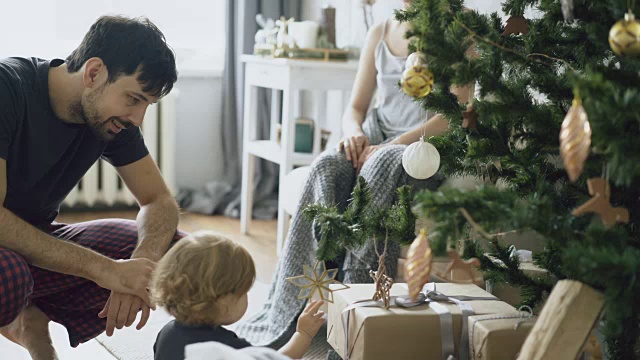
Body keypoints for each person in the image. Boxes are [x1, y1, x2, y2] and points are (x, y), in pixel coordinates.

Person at [236, 0, 471, 347]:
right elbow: (356, 108)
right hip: (378, 136)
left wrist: (392, 145)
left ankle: (357, 305)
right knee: (326, 166)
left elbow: (455, 114)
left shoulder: (461, 28)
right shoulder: (381, 31)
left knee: (379, 164)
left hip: (425, 148)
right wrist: (352, 133)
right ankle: (298, 306)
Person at [0, 15, 183, 359]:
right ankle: (19, 313)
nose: (138, 118)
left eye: (147, 104)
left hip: (34, 246)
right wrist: (108, 271)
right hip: (6, 261)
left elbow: (159, 200)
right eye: (133, 99)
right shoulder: (6, 87)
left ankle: (27, 320)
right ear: (94, 72)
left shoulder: (110, 120)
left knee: (171, 250)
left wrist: (139, 266)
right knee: (7, 276)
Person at [152, 231, 326, 360]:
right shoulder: (227, 349)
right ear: (222, 299)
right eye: (243, 292)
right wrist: (303, 335)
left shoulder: (166, 334)